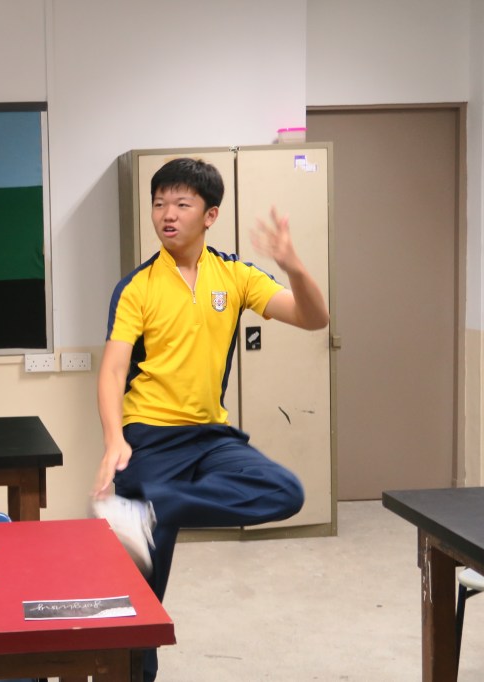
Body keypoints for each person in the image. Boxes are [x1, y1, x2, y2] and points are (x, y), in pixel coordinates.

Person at [90, 157, 329, 682]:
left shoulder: (235, 275)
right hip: (148, 439)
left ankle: (156, 507)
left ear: (210, 214)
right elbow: (112, 371)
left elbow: (314, 318)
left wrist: (293, 265)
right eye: (159, 203)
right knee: (138, 600)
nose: (167, 214)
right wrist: (114, 440)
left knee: (284, 491)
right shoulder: (137, 287)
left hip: (210, 437)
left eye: (181, 204)